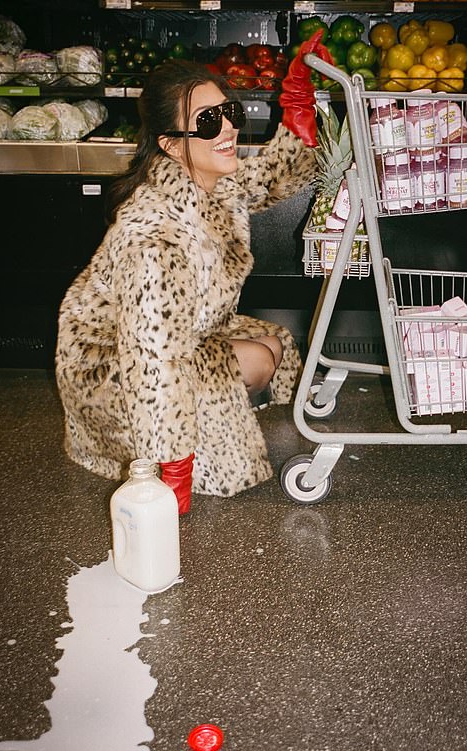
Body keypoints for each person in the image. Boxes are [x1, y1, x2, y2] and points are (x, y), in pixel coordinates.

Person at [55, 32, 332, 512]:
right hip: (110, 367)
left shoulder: (207, 182)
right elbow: (151, 358)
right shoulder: (154, 235)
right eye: (208, 121)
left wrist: (299, 106)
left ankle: (209, 411)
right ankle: (178, 439)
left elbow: (269, 178)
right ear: (170, 144)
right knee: (259, 361)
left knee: (271, 343)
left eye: (231, 113)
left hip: (173, 336)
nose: (227, 129)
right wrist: (174, 472)